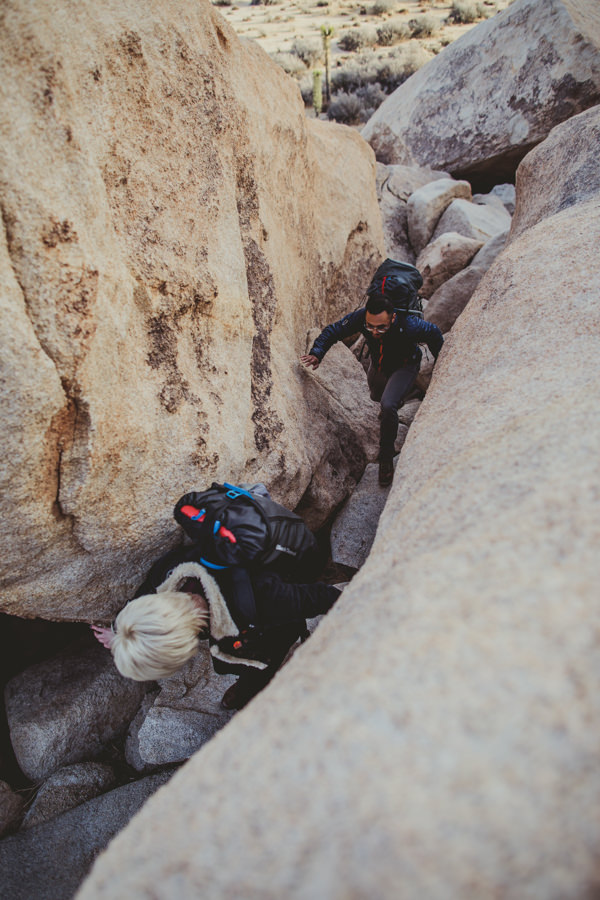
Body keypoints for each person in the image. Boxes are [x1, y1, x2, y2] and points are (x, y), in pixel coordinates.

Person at [92, 544, 343, 710]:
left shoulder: (263, 600)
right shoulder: (169, 575)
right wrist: (121, 633)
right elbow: (143, 599)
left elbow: (325, 598)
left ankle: (253, 685)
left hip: (273, 623)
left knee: (265, 656)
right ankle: (249, 683)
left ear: (185, 649)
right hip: (235, 612)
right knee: (237, 655)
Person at [300, 293, 444, 486]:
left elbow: (434, 334)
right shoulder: (361, 318)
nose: (375, 332)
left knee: (388, 405)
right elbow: (334, 331)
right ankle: (395, 402)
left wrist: (443, 365)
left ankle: (386, 458)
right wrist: (317, 352)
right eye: (371, 327)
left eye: (381, 327)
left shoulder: (410, 325)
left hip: (405, 366)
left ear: (393, 318)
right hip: (379, 365)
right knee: (376, 396)